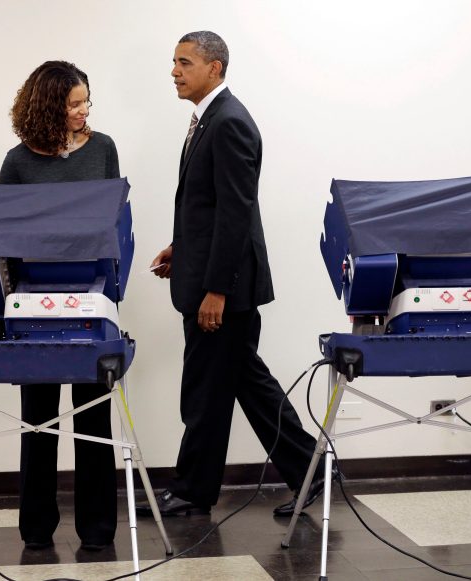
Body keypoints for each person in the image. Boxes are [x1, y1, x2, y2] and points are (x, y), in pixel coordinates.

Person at [140, 32, 324, 518]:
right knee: (241, 383)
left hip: (225, 290)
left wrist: (216, 288)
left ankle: (194, 489)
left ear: (214, 68)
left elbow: (236, 213)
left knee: (209, 389)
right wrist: (182, 249)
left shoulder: (229, 123)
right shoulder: (209, 120)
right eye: (173, 62)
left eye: (184, 62)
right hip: (212, 277)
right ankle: (309, 470)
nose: (175, 71)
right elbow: (210, 206)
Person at [0, 60, 119, 550]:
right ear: (48, 106)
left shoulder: (104, 149)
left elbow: (114, 225)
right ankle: (37, 529)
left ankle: (97, 530)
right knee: (39, 417)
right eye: (73, 103)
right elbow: (4, 239)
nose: (83, 111)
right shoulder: (17, 162)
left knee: (94, 416)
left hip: (93, 300)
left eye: (86, 100)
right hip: (34, 304)